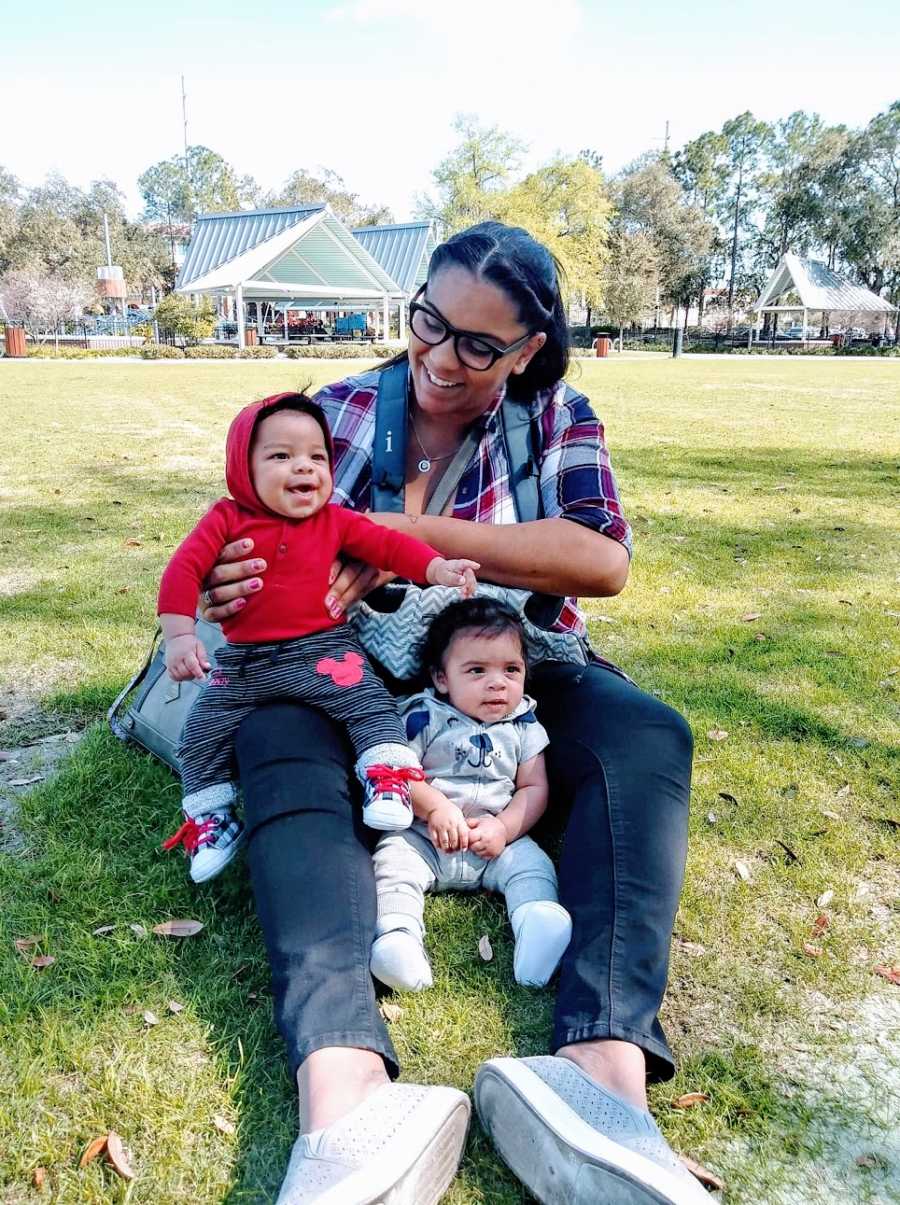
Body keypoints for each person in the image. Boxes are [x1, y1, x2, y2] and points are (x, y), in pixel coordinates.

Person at [200, 221, 706, 1205]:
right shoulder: (333, 414)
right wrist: (240, 579)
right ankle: (346, 1096)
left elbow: (601, 559)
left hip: (519, 668)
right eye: (429, 321)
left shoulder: (556, 414)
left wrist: (408, 532)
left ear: (528, 349)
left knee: (649, 733)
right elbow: (243, 557)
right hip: (354, 683)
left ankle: (600, 1078)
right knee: (273, 727)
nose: (439, 357)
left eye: (480, 345)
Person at [158, 392, 478, 883]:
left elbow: (389, 544)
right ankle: (211, 819)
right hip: (244, 662)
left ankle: (388, 777)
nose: (304, 468)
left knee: (369, 704)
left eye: (317, 457)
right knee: (199, 734)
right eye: (281, 456)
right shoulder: (225, 520)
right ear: (243, 468)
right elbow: (183, 570)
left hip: (324, 652)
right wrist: (180, 636)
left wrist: (436, 567)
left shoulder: (335, 520)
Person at [371, 597, 573, 993]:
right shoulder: (422, 716)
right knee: (391, 867)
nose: (498, 682)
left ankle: (536, 928)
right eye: (477, 670)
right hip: (424, 838)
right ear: (442, 678)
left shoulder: (524, 724)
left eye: (511, 670)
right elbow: (398, 775)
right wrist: (435, 807)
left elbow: (534, 787)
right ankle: (399, 939)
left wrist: (504, 827)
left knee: (532, 867)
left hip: (494, 843)